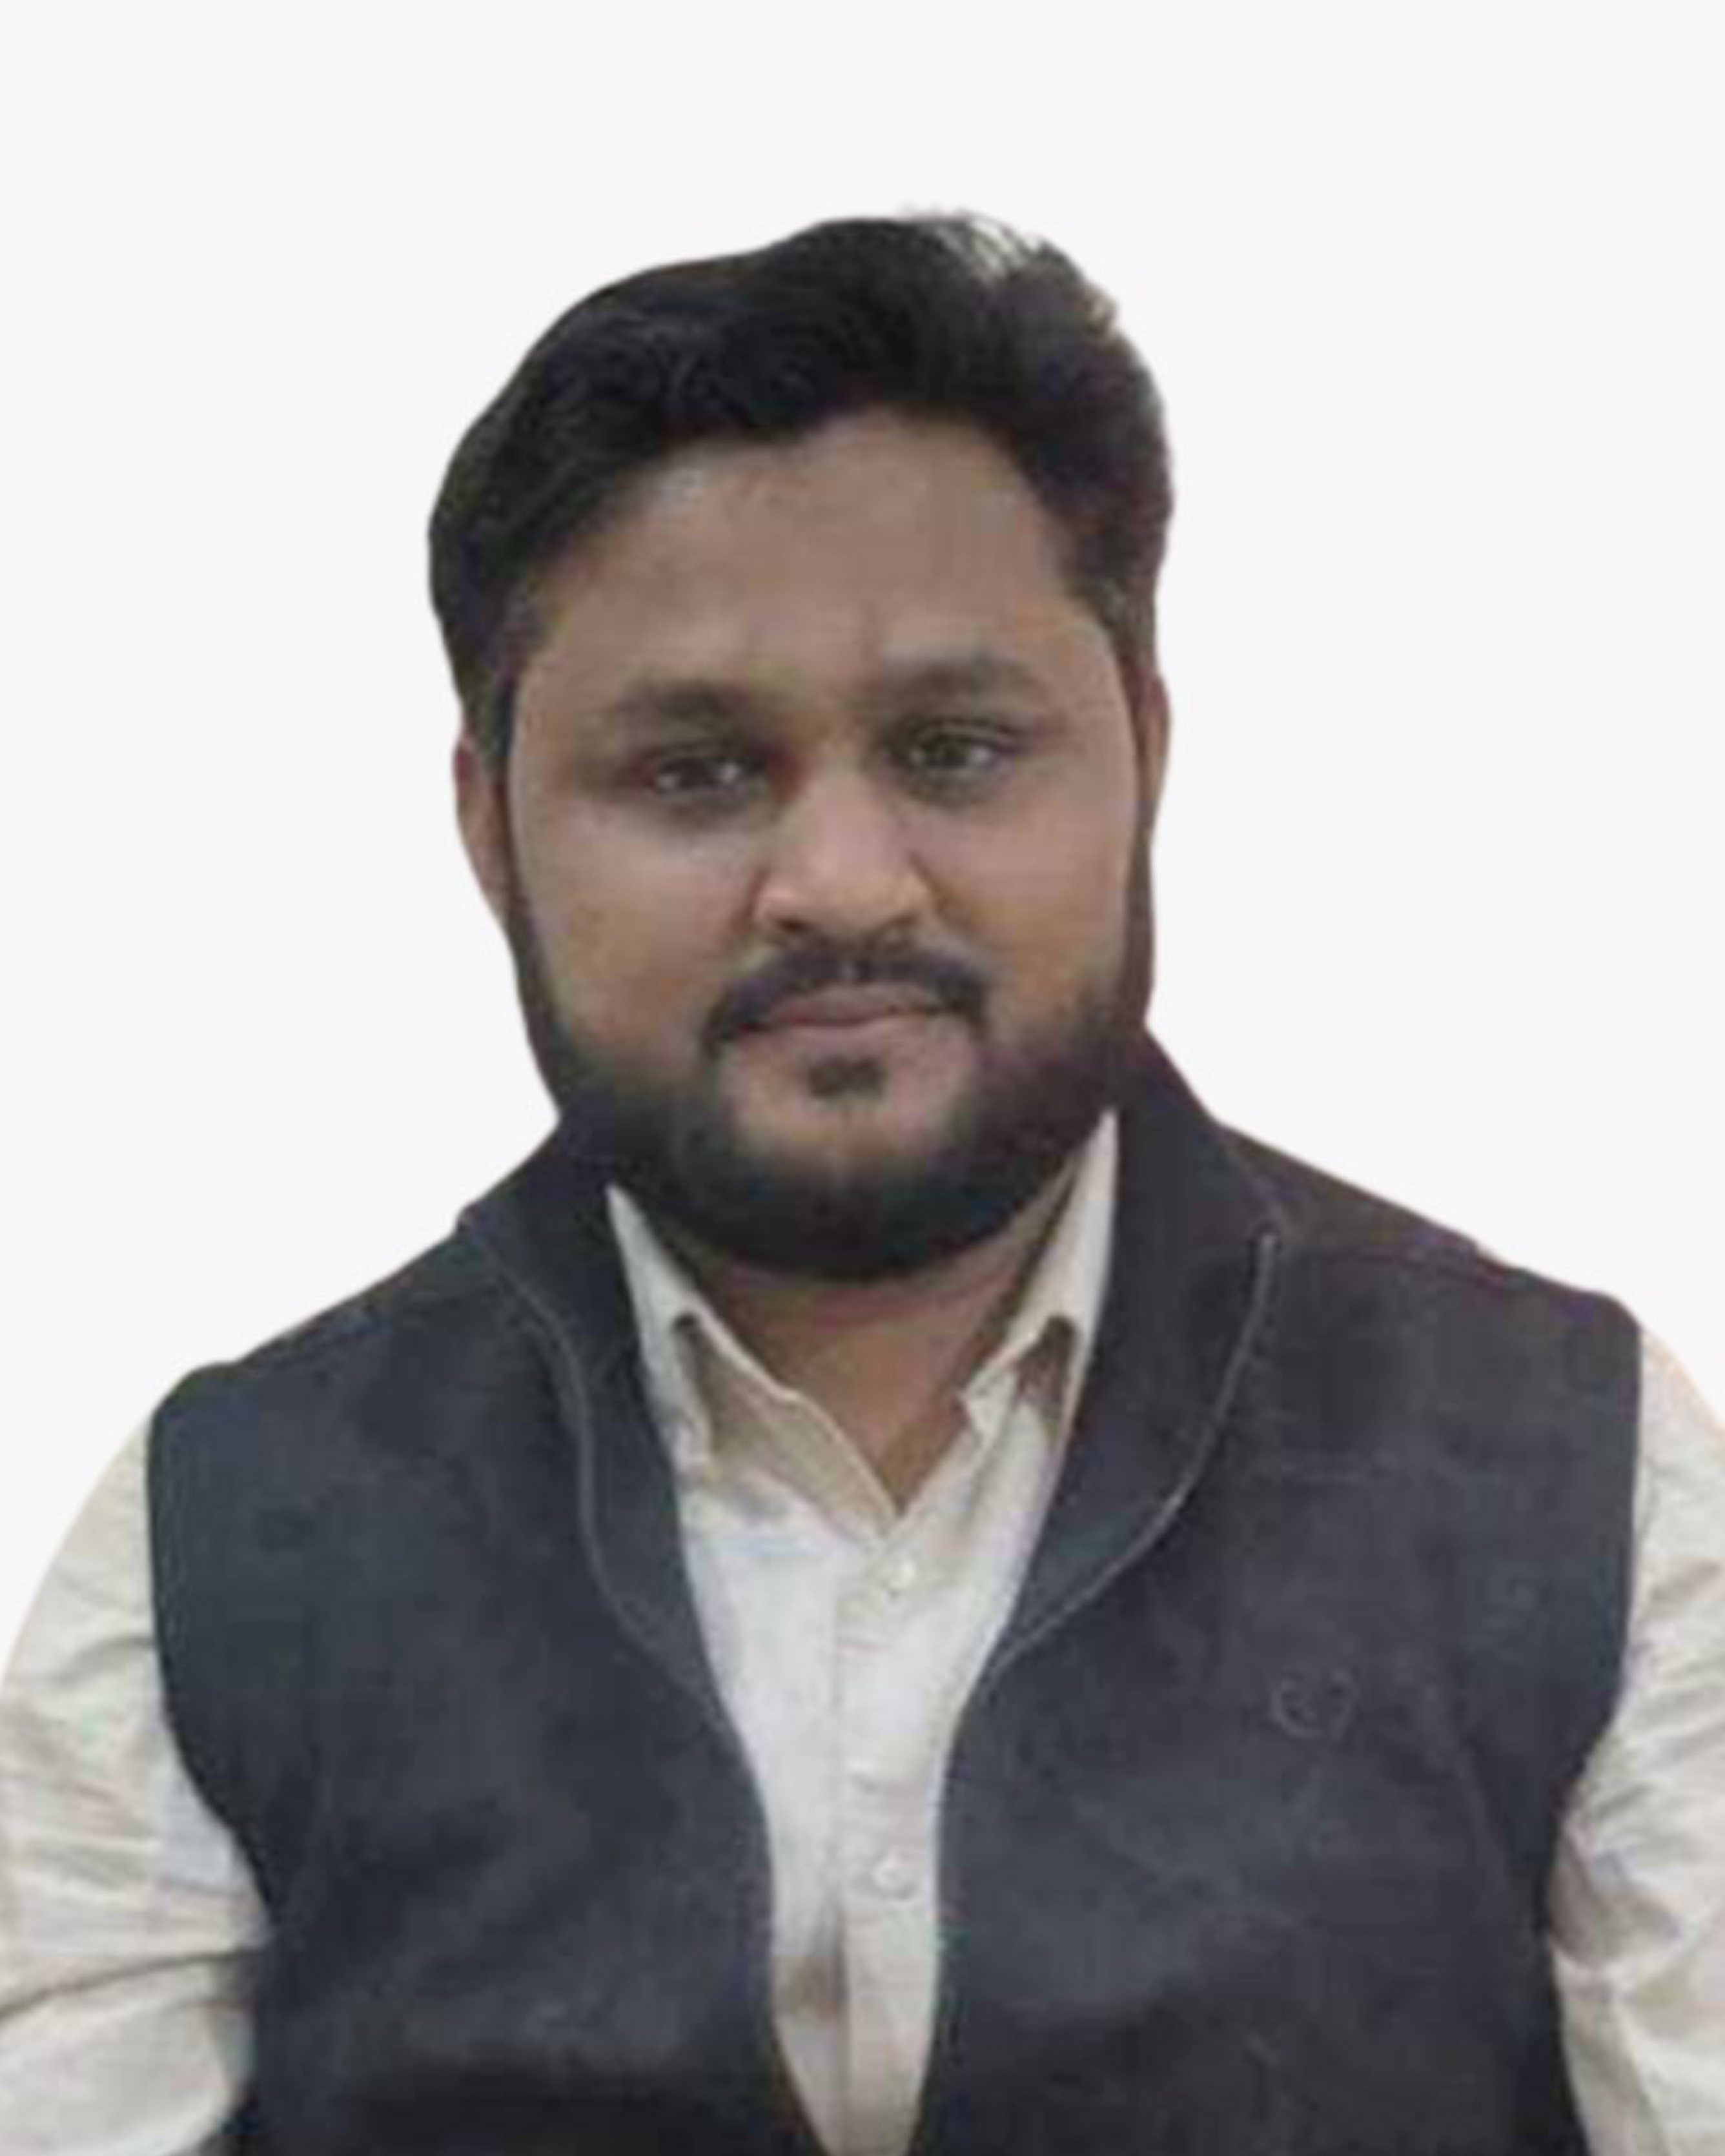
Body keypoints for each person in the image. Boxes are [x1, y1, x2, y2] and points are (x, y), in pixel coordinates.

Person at [1, 212, 1719, 2156]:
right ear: (488, 826)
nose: (840, 880)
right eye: (695, 772)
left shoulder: (1574, 1479)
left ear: (1144, 754)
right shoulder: (222, 1547)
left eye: (955, 750)